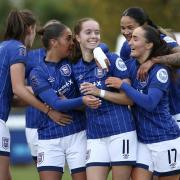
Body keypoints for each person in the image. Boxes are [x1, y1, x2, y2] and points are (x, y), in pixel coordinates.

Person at [0, 10, 70, 180]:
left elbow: (12, 96)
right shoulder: (19, 48)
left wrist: (43, 95)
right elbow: (18, 88)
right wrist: (48, 109)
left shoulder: (3, 46)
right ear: (30, 29)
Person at [105, 25, 180, 180]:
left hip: (164, 139)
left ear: (149, 45)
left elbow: (150, 103)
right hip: (142, 141)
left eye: (135, 38)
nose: (129, 42)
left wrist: (124, 85)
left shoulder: (160, 71)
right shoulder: (131, 66)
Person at [29, 21, 101, 180]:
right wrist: (81, 100)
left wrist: (100, 52)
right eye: (68, 38)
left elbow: (103, 47)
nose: (72, 42)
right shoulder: (37, 72)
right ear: (54, 42)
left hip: (78, 133)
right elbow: (55, 104)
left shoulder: (75, 60)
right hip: (49, 136)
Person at [72, 17, 137, 180]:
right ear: (78, 37)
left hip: (121, 131)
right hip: (95, 135)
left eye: (97, 32)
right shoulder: (75, 68)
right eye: (88, 32)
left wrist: (99, 92)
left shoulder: (113, 59)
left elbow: (129, 99)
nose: (94, 36)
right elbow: (79, 102)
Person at [25, 20, 72, 163]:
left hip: (69, 119)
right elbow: (17, 87)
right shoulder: (30, 57)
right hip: (36, 121)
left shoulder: (69, 55)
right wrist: (42, 91)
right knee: (43, 167)